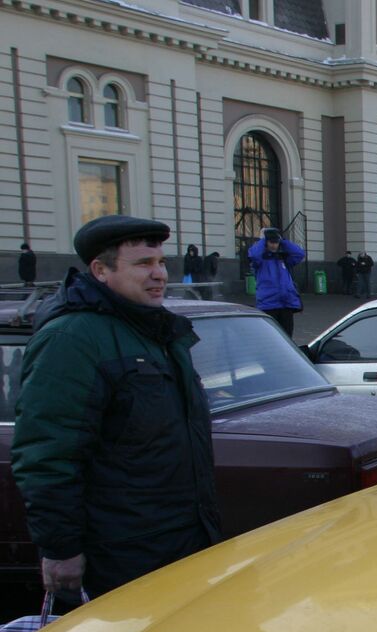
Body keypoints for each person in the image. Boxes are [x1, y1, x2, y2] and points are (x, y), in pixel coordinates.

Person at [11, 214, 221, 599]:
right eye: (143, 264)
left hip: (183, 539)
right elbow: (48, 454)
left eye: (161, 263)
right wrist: (61, 549)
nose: (159, 274)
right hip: (123, 555)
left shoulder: (158, 331)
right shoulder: (72, 339)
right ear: (100, 270)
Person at [249, 228, 305, 336]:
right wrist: (263, 239)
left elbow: (299, 254)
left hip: (286, 303)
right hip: (268, 304)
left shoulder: (283, 259)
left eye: (276, 242)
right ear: (266, 243)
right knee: (271, 336)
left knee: (287, 336)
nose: (274, 245)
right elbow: (254, 255)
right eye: (271, 242)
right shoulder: (260, 261)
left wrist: (283, 240)